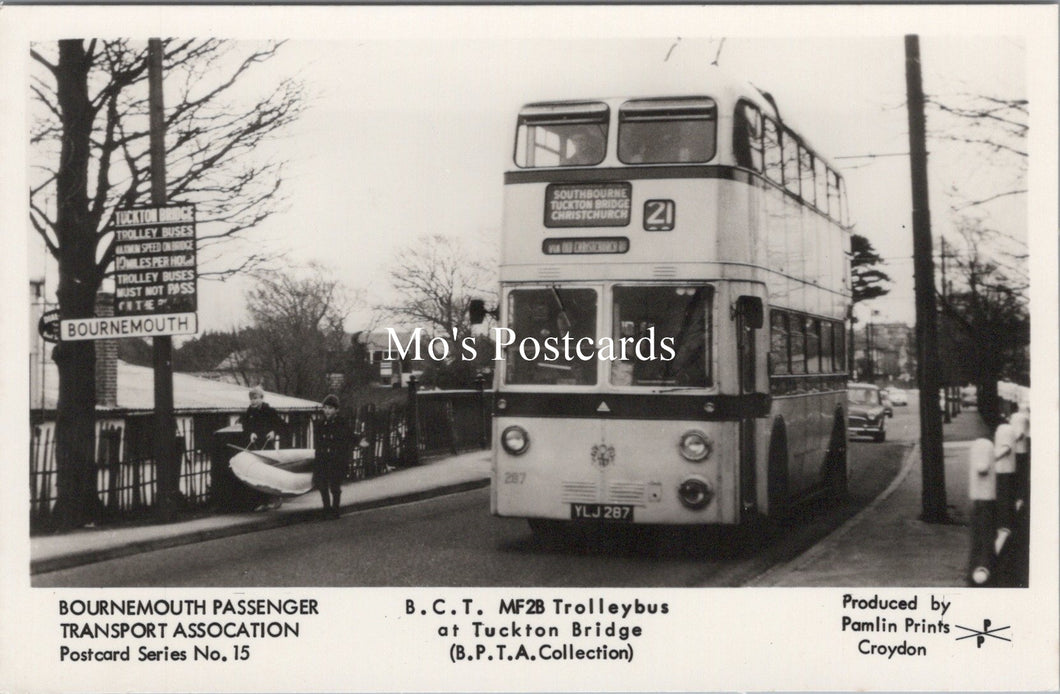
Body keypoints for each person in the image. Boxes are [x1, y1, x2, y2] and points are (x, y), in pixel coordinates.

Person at [313, 394, 364, 520]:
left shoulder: (341, 423)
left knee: (335, 486)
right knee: (322, 484)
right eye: (325, 408)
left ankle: (335, 510)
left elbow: (350, 435)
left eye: (330, 408)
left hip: (337, 459)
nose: (327, 411)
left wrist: (359, 441)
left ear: (336, 410)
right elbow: (318, 443)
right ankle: (326, 509)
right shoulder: (320, 424)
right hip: (323, 458)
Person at [240, 385, 287, 510]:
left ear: (261, 398)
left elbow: (282, 425)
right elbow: (244, 426)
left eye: (255, 398)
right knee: (257, 474)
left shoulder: (269, 411)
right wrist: (250, 433)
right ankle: (262, 502)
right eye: (251, 399)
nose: (253, 401)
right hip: (256, 447)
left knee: (269, 473)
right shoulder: (249, 412)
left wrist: (273, 432)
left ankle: (275, 498)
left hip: (268, 447)